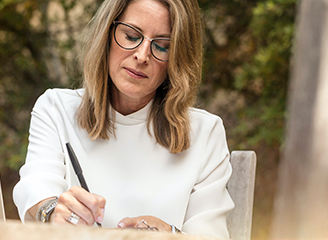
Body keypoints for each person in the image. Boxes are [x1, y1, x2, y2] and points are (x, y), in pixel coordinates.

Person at [12, 0, 234, 238]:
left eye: (162, 46)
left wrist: (172, 234)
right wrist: (52, 212)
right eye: (130, 36)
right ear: (107, 35)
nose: (142, 56)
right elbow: (37, 186)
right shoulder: (56, 109)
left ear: (177, 60)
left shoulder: (205, 133)